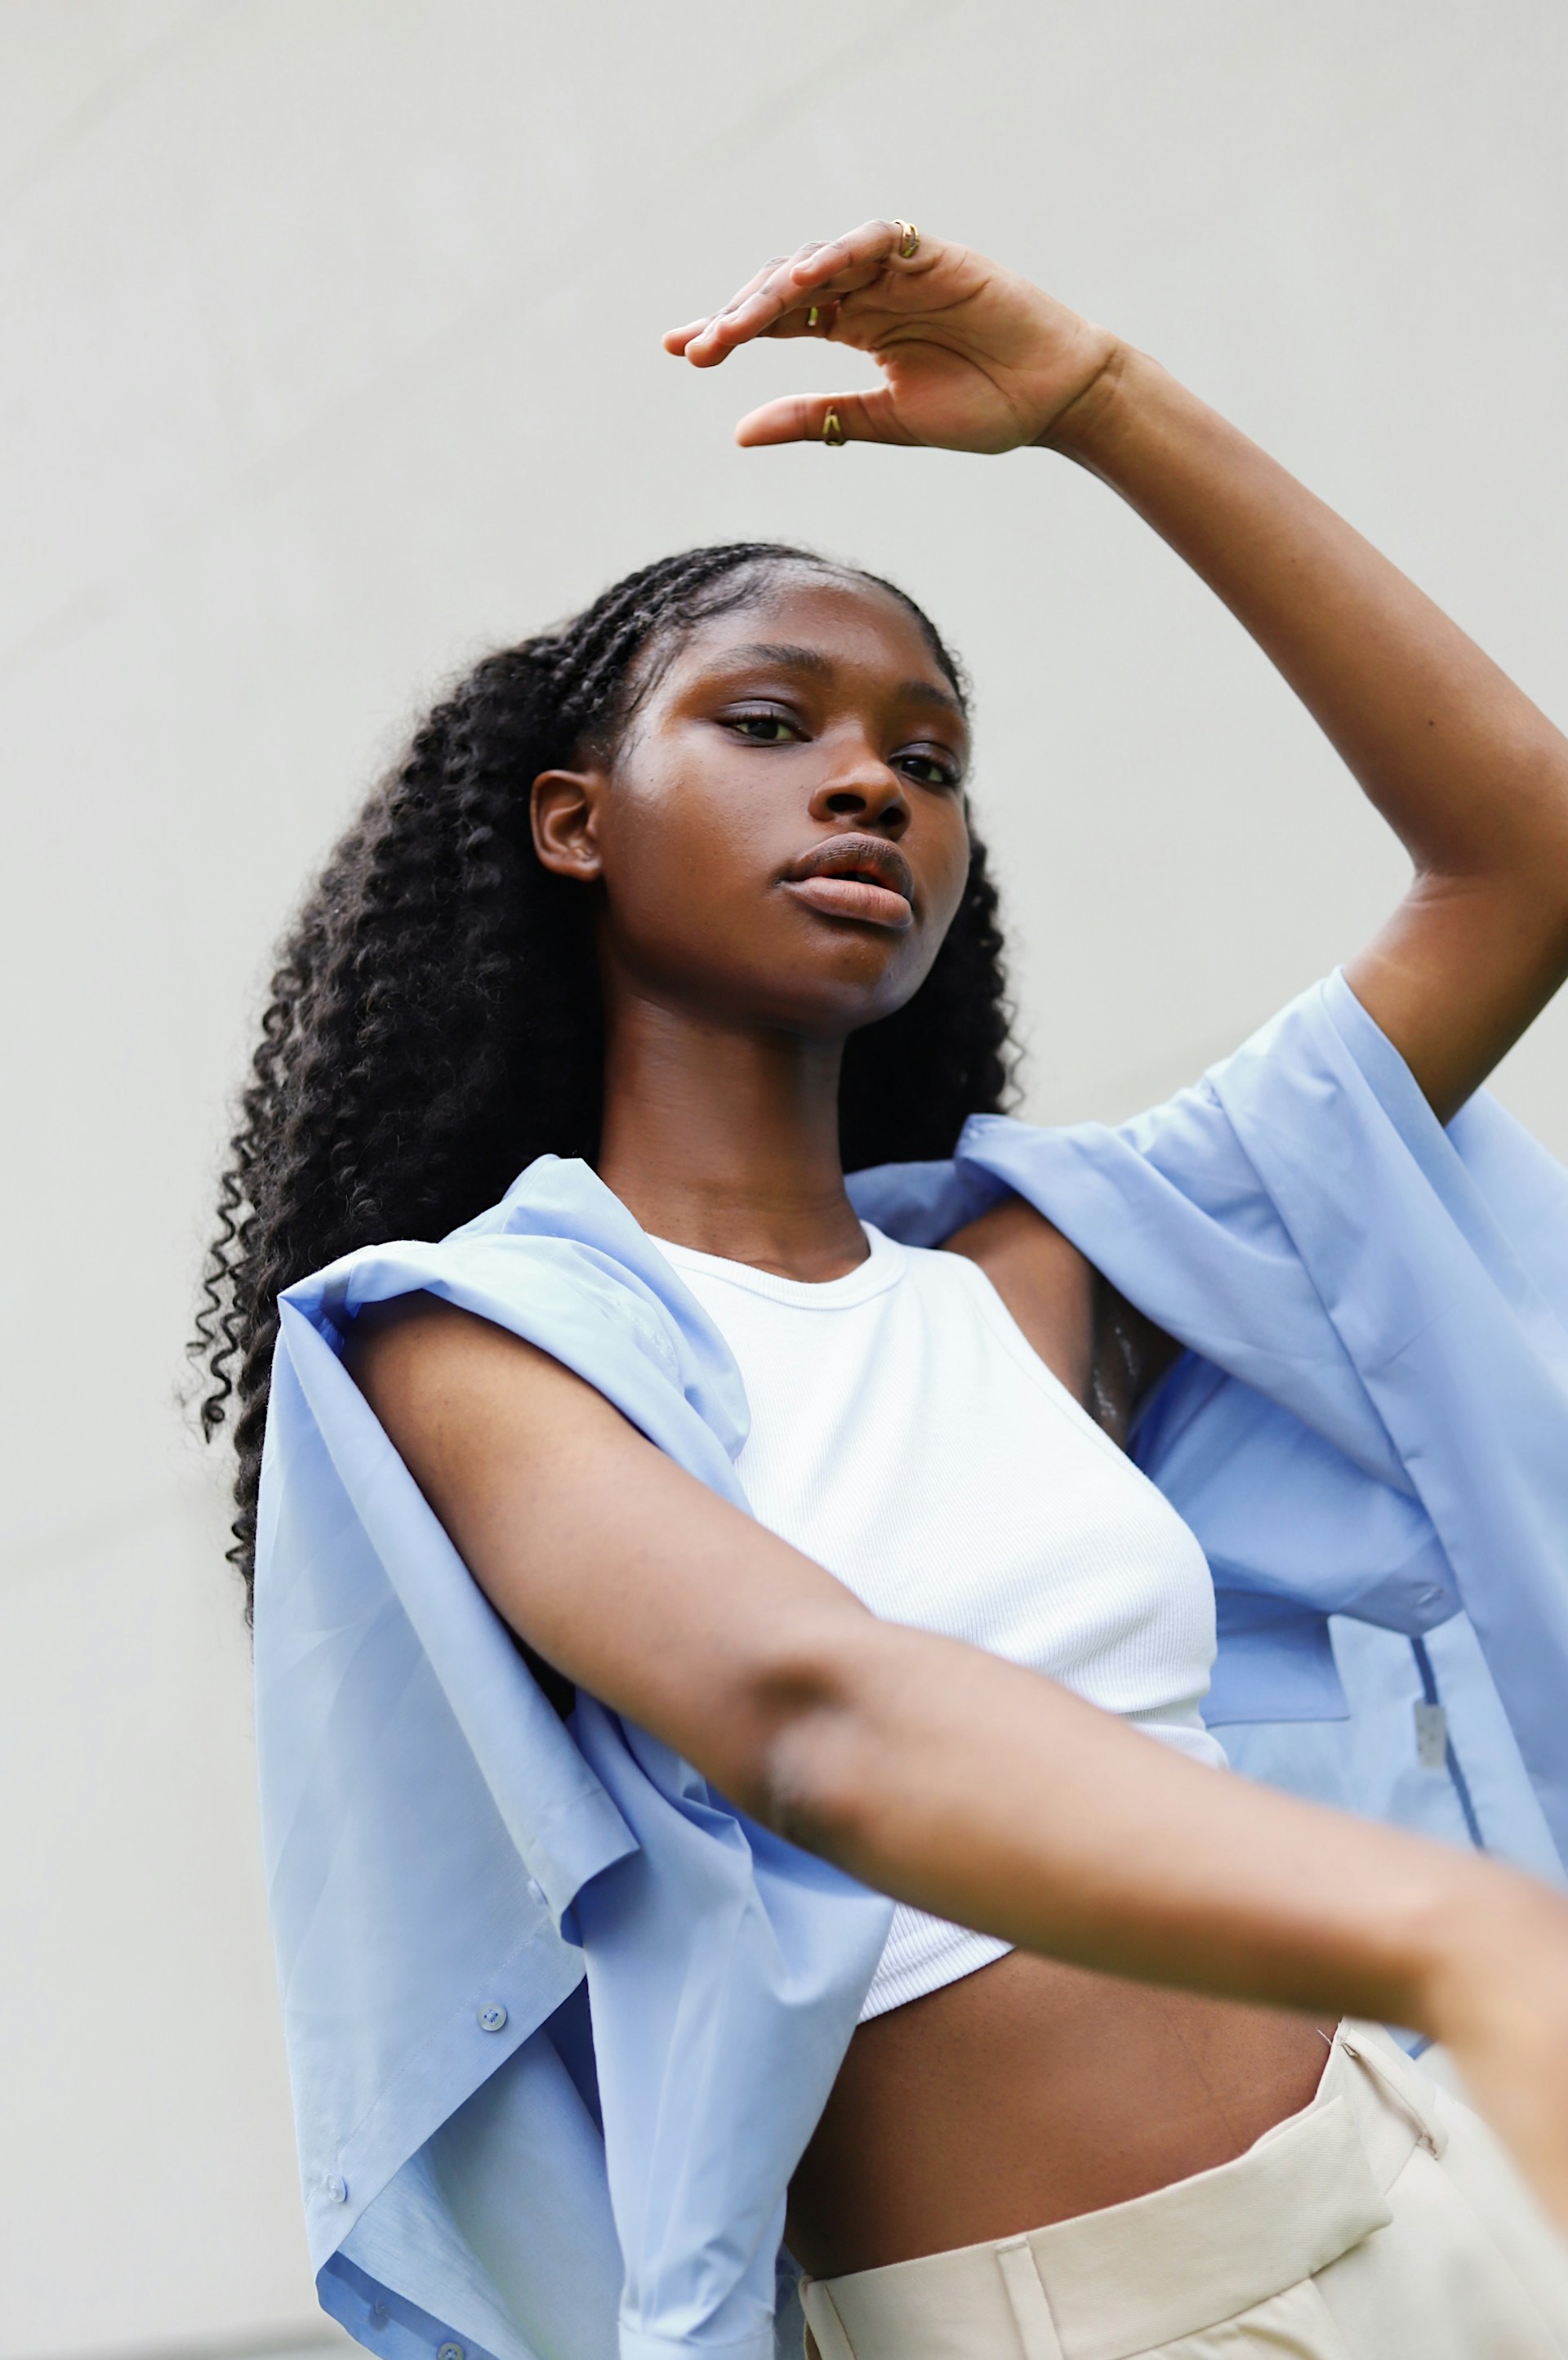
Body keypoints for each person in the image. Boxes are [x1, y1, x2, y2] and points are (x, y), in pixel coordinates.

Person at [198, 221, 1568, 2360]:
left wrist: (1104, 402)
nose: (871, 782)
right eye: (773, 720)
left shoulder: (1039, 1275)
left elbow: (1522, 855)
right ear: (571, 818)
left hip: (1443, 2199)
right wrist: (1460, 1931)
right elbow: (817, 1715)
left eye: (929, 760)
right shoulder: (461, 1345)